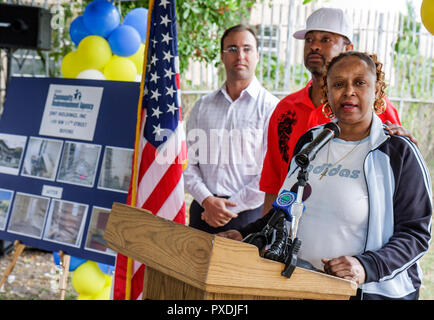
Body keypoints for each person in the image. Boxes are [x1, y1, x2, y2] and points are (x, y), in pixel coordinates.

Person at [219, 51, 432, 300]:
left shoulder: (397, 152)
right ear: (327, 94)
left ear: (377, 90)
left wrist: (365, 267)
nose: (349, 91)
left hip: (363, 293)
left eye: (360, 82)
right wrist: (245, 234)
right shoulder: (311, 141)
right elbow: (286, 207)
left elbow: (416, 234)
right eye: (338, 84)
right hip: (297, 284)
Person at [259, 7, 416, 215]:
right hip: (287, 233)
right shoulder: (285, 109)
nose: (314, 46)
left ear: (347, 48)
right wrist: (265, 241)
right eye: (309, 39)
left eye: (325, 40)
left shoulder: (374, 107)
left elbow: (399, 178)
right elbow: (273, 183)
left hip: (354, 234)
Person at [183, 25, 280, 233]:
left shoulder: (272, 108)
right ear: (222, 56)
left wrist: (228, 207)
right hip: (202, 211)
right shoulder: (202, 106)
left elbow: (270, 173)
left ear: (257, 55)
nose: (240, 55)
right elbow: (187, 162)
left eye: (247, 48)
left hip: (246, 218)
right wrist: (207, 200)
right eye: (232, 49)